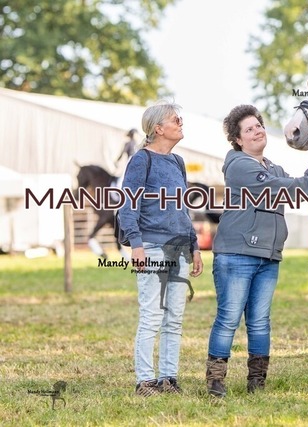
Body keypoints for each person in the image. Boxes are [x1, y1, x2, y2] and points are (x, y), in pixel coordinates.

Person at [205, 105, 308, 397]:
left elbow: (295, 187)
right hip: (237, 254)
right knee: (228, 319)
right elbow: (281, 188)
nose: (257, 131)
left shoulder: (272, 167)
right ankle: (215, 381)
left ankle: (257, 381)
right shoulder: (239, 165)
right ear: (238, 139)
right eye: (249, 129)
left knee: (260, 321)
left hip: (268, 256)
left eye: (259, 126)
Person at [119, 102, 204, 397]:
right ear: (158, 129)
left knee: (174, 318)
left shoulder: (178, 162)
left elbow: (183, 210)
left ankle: (168, 379)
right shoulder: (141, 160)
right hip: (152, 247)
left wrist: (194, 246)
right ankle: (144, 381)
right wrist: (136, 244)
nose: (180, 123)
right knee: (152, 316)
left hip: (180, 248)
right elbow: (128, 205)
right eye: (174, 119)